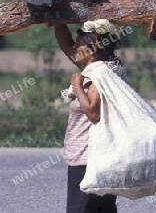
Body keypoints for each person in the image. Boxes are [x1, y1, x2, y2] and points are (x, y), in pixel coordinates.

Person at [54, 20, 127, 213]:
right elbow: (65, 44)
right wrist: (56, 18)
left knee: (83, 209)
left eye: (79, 44)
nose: (75, 47)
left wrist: (77, 87)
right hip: (104, 157)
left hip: (89, 159)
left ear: (93, 50)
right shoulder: (106, 68)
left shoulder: (100, 75)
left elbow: (93, 113)